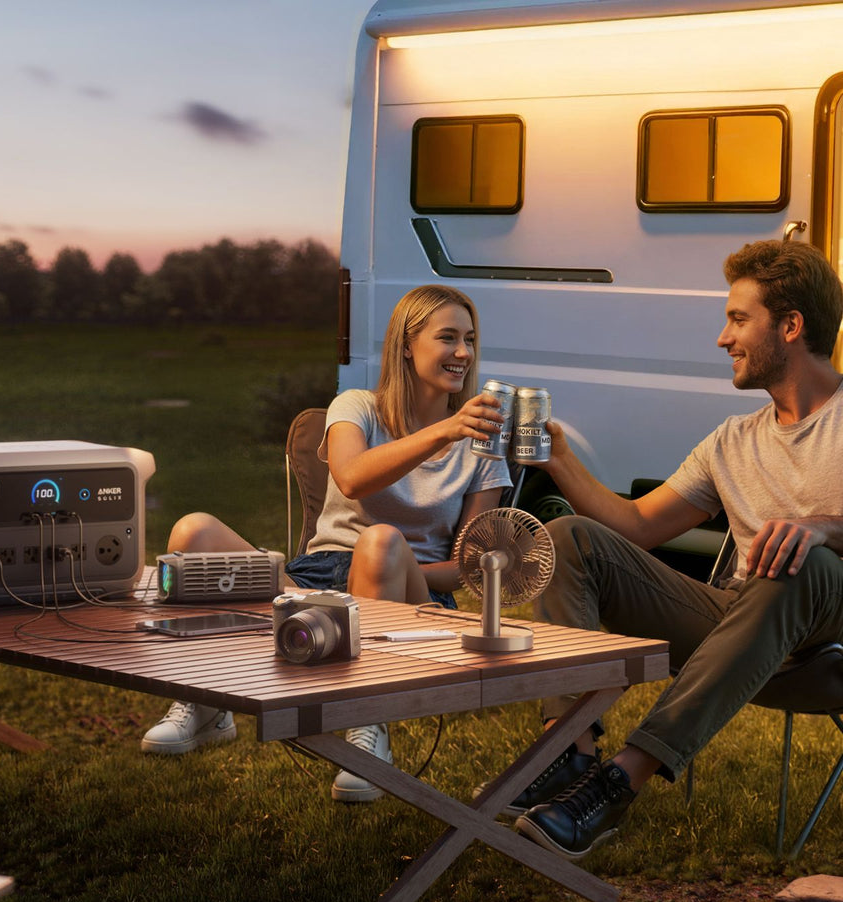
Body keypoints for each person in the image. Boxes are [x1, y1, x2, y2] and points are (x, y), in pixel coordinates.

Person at [507, 239, 843, 860]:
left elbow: (813, 550)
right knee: (570, 539)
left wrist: (822, 526)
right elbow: (634, 527)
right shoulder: (732, 441)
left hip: (828, 650)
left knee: (801, 562)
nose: (723, 338)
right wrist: (560, 460)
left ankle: (615, 788)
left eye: (739, 319)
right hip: (739, 629)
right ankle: (568, 750)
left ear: (791, 326)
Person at [141, 284, 513, 801]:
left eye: (469, 340)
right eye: (447, 337)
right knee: (192, 531)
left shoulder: (481, 446)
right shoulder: (356, 406)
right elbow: (353, 476)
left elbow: (467, 569)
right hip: (319, 576)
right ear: (407, 344)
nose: (462, 353)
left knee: (380, 543)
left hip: (411, 594)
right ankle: (205, 703)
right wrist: (443, 430)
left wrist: (379, 570)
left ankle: (368, 727)